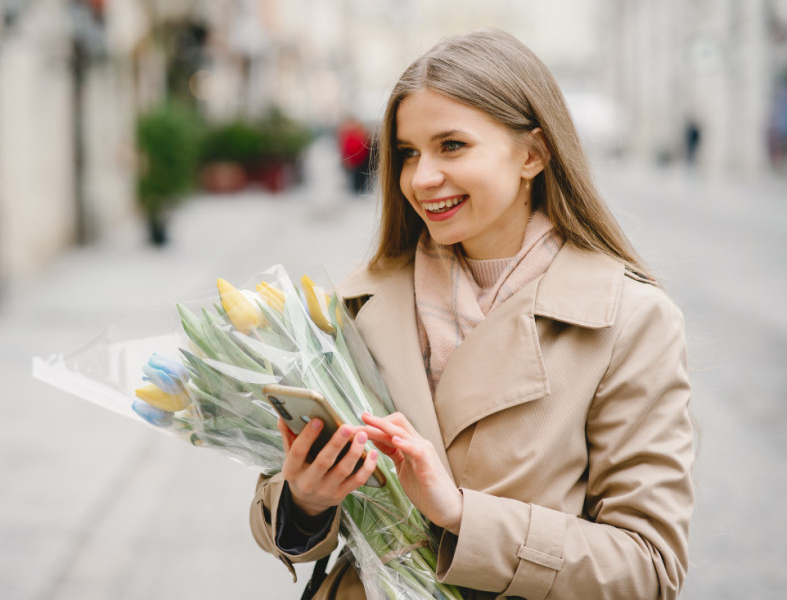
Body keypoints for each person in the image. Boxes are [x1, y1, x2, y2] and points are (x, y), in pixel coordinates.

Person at [250, 28, 694, 599]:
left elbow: (648, 568)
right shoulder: (354, 306)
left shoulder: (628, 320)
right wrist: (305, 502)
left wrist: (463, 517)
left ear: (533, 153)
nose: (421, 177)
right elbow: (282, 522)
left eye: (452, 146)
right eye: (409, 152)